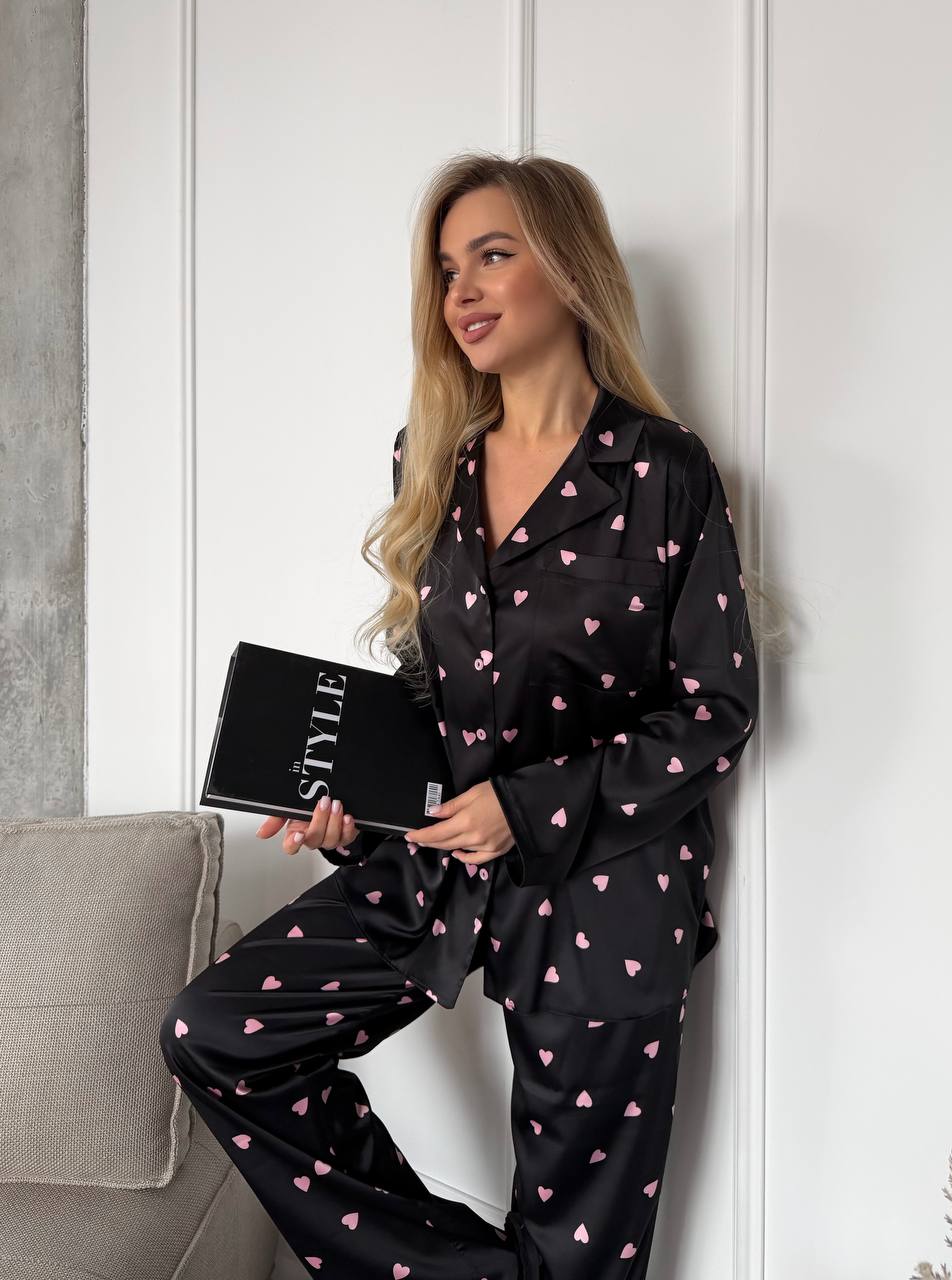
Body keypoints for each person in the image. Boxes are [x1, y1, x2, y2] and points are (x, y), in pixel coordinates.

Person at [159, 151, 761, 1280]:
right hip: (439, 861)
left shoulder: (662, 470)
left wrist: (525, 809)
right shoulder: (432, 460)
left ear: (568, 269)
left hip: (607, 887)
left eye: (492, 255)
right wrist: (355, 802)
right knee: (221, 1032)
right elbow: (430, 685)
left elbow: (713, 709)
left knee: (577, 1253)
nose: (462, 292)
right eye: (446, 270)